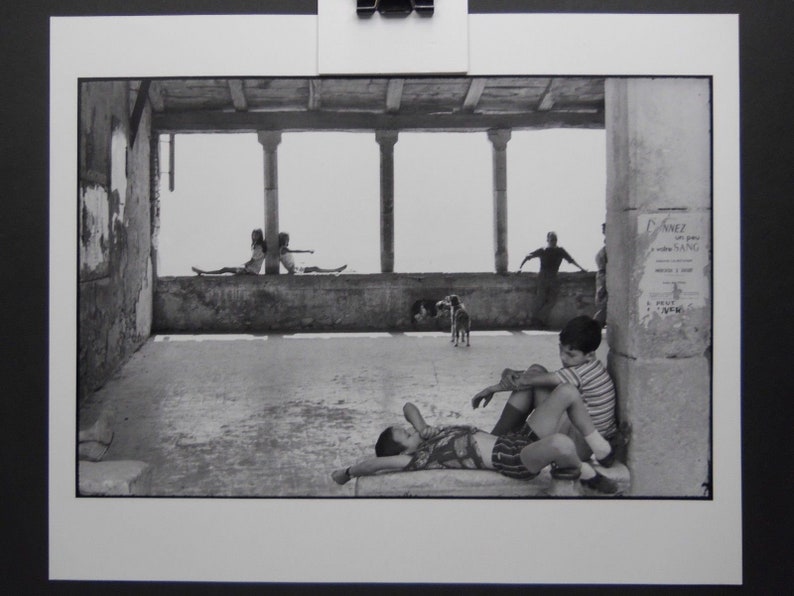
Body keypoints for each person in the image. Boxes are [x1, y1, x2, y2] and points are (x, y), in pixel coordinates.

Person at [331, 398, 619, 494]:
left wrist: (420, 428)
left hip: (514, 440)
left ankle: (601, 450)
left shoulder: (428, 436)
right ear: (404, 451)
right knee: (562, 443)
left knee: (566, 393)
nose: (410, 431)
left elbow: (409, 407)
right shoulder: (415, 460)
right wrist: (347, 472)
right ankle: (586, 473)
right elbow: (375, 465)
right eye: (405, 435)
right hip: (513, 459)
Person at [471, 315, 618, 466]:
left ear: (590, 355)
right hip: (579, 436)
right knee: (536, 370)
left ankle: (493, 443)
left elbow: (528, 380)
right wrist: (512, 373)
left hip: (578, 446)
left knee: (541, 382)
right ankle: (498, 440)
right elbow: (538, 376)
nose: (563, 358)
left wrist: (492, 389)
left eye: (570, 355)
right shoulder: (591, 367)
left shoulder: (580, 373)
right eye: (561, 349)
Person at [518, 231, 587, 329]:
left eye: (555, 239)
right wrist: (520, 268)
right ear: (547, 240)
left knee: (552, 300)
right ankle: (537, 322)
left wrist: (582, 268)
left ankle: (539, 319)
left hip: (553, 277)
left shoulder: (560, 251)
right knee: (540, 299)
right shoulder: (543, 250)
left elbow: (571, 260)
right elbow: (528, 256)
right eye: (551, 239)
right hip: (543, 276)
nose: (553, 241)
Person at [192, 228, 267, 276]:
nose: (254, 236)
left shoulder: (259, 247)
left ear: (259, 236)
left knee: (225, 270)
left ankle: (204, 272)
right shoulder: (257, 246)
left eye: (256, 235)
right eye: (253, 235)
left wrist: (242, 265)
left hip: (250, 271)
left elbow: (252, 261)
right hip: (251, 270)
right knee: (226, 270)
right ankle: (205, 272)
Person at [278, 232, 347, 275]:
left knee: (315, 268)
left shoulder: (281, 249)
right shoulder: (283, 249)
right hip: (293, 270)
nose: (288, 242)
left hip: (295, 268)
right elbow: (296, 251)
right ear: (284, 240)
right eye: (287, 240)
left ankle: (334, 270)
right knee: (315, 268)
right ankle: (334, 270)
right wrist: (308, 251)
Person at [593, 223, 608, 327]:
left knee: (603, 303)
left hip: (603, 275)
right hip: (604, 275)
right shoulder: (605, 250)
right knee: (603, 303)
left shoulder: (605, 248)